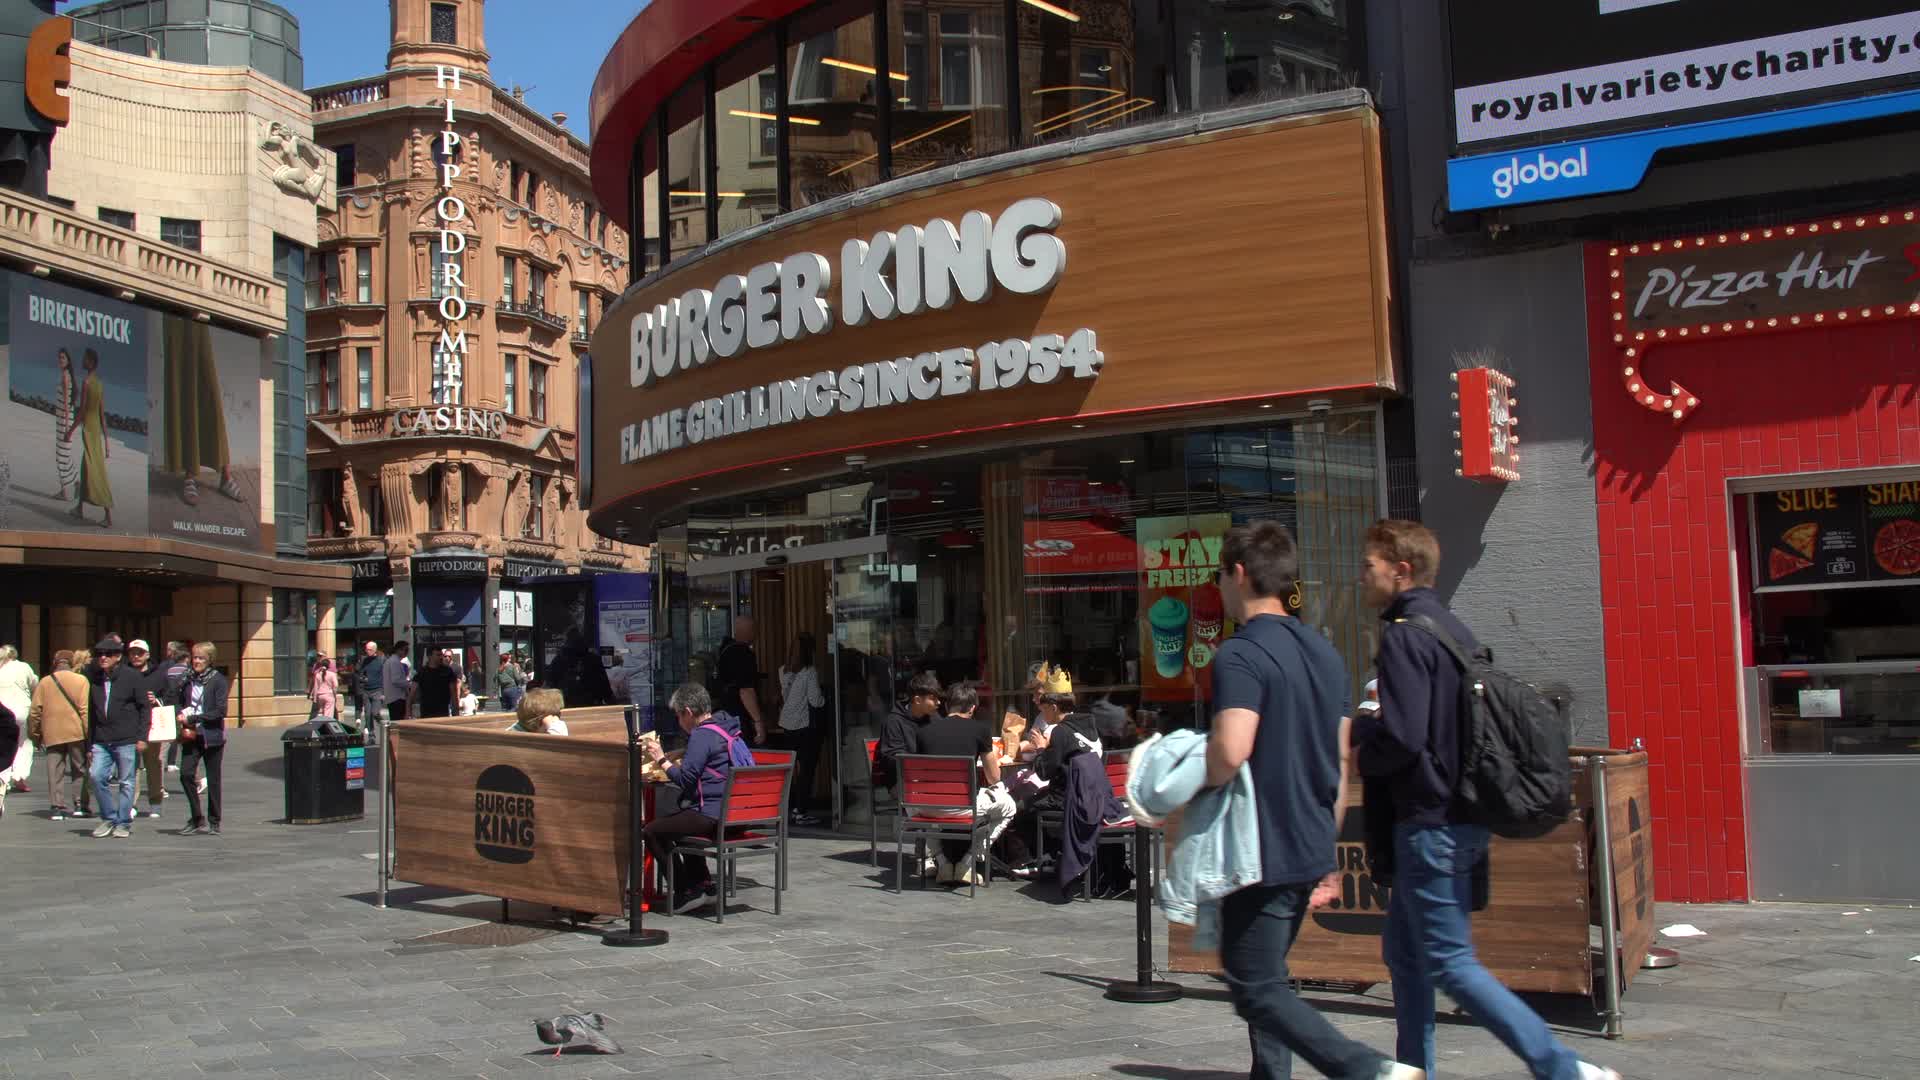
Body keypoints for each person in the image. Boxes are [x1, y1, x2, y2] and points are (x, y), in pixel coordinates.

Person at [1354, 520, 1618, 1080]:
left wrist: (1360, 730)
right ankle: (1412, 1068)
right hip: (1462, 817)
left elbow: (1403, 738)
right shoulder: (1452, 629)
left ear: (1400, 570)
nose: (1363, 577)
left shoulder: (1405, 635)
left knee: (1450, 962)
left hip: (1430, 824)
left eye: (1369, 566)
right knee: (1405, 956)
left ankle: (1560, 1067)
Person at [1205, 521, 1418, 1080]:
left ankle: (1368, 1068)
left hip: (1261, 846)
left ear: (1240, 574)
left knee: (1255, 985)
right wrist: (1326, 850)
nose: (1220, 587)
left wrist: (1175, 769)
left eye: (1221, 576)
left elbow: (1230, 751)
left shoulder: (1238, 655)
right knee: (1264, 976)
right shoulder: (1325, 653)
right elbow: (1341, 759)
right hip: (1306, 840)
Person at [642, 683, 750, 915]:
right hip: (738, 814)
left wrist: (661, 758)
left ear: (688, 713)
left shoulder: (701, 735)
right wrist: (683, 752)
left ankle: (686, 891)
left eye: (679, 715)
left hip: (713, 814)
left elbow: (686, 780)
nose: (679, 722)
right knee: (678, 822)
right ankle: (704, 886)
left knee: (651, 830)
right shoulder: (724, 726)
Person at [913, 681, 1016, 885]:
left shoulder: (923, 732)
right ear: (972, 708)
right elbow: (994, 777)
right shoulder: (980, 730)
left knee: (912, 807)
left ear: (946, 706)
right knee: (1009, 807)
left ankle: (942, 863)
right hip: (964, 807)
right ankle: (968, 862)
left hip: (929, 807)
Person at [85, 636, 145, 839]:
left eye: (108, 654)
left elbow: (144, 707)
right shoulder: (95, 678)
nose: (102, 658)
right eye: (99, 654)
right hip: (101, 738)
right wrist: (88, 743)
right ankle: (109, 817)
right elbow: (92, 713)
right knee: (96, 776)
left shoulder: (132, 677)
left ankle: (123, 822)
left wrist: (142, 736)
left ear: (118, 656)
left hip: (126, 738)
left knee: (126, 782)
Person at [167, 642, 228, 835]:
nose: (197, 661)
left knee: (214, 779)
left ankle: (214, 820)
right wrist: (179, 713)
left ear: (209, 659)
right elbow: (172, 697)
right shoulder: (187, 678)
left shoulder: (217, 680)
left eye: (201, 658)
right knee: (186, 774)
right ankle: (196, 818)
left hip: (211, 735)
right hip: (191, 734)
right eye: (194, 657)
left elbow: (220, 710)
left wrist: (194, 717)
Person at [29, 650, 92, 820]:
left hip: (52, 733)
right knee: (79, 768)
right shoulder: (81, 680)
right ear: (72, 663)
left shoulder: (45, 682)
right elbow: (85, 710)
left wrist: (35, 734)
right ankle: (80, 805)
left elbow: (35, 712)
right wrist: (88, 734)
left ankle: (56, 806)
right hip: (76, 732)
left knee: (55, 770)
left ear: (55, 663)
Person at [774, 632, 826, 826]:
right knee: (807, 769)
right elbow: (815, 700)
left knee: (791, 768)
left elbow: (786, 697)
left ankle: (788, 807)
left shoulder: (783, 670)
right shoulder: (810, 672)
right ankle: (801, 810)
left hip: (787, 724)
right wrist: (825, 699)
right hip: (805, 725)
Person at [64, 347, 113, 529]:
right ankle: (79, 508)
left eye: (85, 359)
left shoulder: (86, 383)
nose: (82, 361)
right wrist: (106, 440)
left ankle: (107, 515)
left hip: (90, 432)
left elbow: (83, 411)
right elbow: (102, 415)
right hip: (96, 432)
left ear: (91, 362)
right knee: (88, 469)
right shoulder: (99, 384)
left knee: (94, 473)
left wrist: (70, 431)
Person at [876, 670, 942, 793]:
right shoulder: (893, 722)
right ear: (917, 700)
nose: (938, 702)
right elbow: (893, 756)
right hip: (901, 781)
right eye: (933, 698)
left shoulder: (934, 717)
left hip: (931, 776)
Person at [125, 640, 168, 819]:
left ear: (147, 655)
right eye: (133, 653)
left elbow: (170, 697)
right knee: (130, 767)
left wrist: (156, 700)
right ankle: (131, 804)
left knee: (153, 765)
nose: (135, 656)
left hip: (152, 727)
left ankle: (155, 802)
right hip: (129, 726)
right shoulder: (123, 674)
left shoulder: (158, 675)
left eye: (139, 653)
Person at [713, 616, 765, 744]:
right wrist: (758, 722)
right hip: (739, 718)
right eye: (755, 630)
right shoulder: (743, 653)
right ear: (749, 631)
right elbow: (745, 690)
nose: (756, 634)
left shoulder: (725, 650)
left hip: (725, 715)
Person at [0, 645, 36, 794]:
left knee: (3, 746)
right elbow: (34, 683)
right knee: (24, 744)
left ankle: (4, 779)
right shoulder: (23, 667)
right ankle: (19, 776)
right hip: (21, 709)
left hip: (2, 711)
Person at [161, 642, 190, 773]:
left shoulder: (168, 670)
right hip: (182, 705)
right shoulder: (188, 671)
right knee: (186, 733)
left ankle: (169, 762)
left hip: (168, 704)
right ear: (186, 659)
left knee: (170, 734)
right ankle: (184, 761)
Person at [53, 346, 77, 500]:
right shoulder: (67, 375)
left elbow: (68, 406)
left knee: (61, 457)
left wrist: (68, 428)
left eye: (63, 358)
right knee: (64, 456)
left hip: (64, 421)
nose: (60, 360)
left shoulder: (65, 376)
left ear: (68, 361)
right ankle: (74, 484)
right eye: (59, 357)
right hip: (64, 420)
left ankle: (66, 490)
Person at [410, 649, 459, 719]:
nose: (440, 657)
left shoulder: (447, 671)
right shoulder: (422, 672)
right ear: (429, 656)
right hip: (426, 711)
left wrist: (456, 710)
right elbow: (412, 693)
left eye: (441, 655)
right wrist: (408, 711)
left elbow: (454, 692)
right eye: (438, 655)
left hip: (443, 711)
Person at [355, 641, 386, 729]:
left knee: (375, 713)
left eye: (369, 650)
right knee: (368, 715)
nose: (367, 651)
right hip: (366, 690)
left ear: (375, 650)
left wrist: (383, 692)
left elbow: (385, 676)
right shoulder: (364, 660)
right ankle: (371, 735)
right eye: (366, 649)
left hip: (377, 690)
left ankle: (384, 725)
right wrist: (362, 679)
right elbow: (359, 672)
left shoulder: (381, 660)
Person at [381, 640, 412, 727]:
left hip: (393, 698)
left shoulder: (390, 661)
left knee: (396, 723)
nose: (407, 653)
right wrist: (408, 684)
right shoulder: (395, 662)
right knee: (398, 725)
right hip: (397, 698)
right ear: (398, 650)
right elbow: (396, 680)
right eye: (405, 650)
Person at [309, 655, 339, 720]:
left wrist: (315, 698)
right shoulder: (332, 674)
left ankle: (323, 725)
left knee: (324, 712)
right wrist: (334, 694)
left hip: (320, 696)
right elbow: (335, 686)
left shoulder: (318, 674)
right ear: (328, 666)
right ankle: (326, 727)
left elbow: (316, 687)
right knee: (328, 715)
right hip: (329, 695)